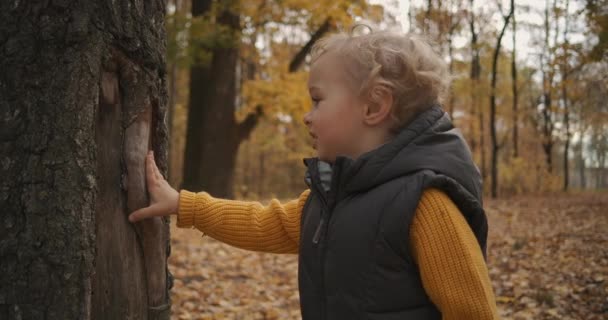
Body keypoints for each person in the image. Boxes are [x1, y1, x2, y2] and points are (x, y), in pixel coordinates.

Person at [129, 30, 499, 319]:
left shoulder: (425, 205)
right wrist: (183, 204)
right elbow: (266, 223)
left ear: (374, 105)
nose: (307, 115)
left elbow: (474, 312)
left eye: (318, 100)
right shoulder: (332, 197)